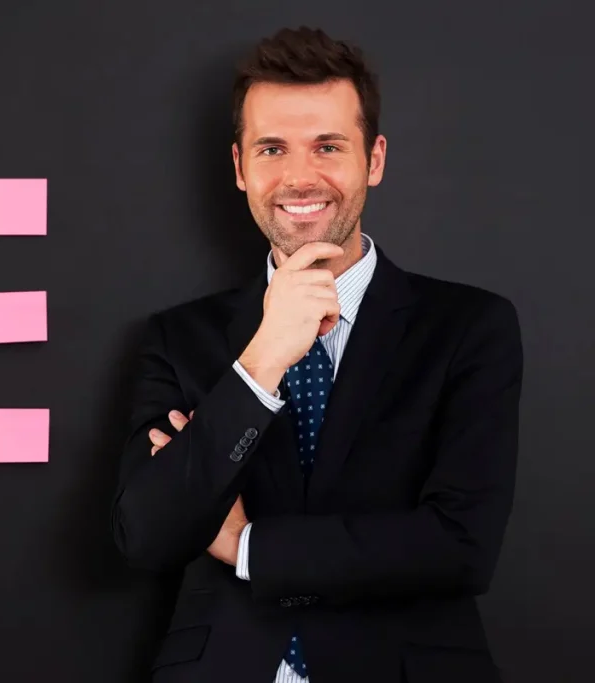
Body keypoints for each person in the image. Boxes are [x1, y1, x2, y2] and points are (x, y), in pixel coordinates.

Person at [110, 26, 522, 683]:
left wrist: (249, 546)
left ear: (374, 159)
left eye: (328, 146)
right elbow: (150, 534)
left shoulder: (470, 328)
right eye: (272, 148)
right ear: (242, 167)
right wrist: (264, 357)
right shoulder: (177, 338)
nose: (300, 177)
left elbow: (461, 545)